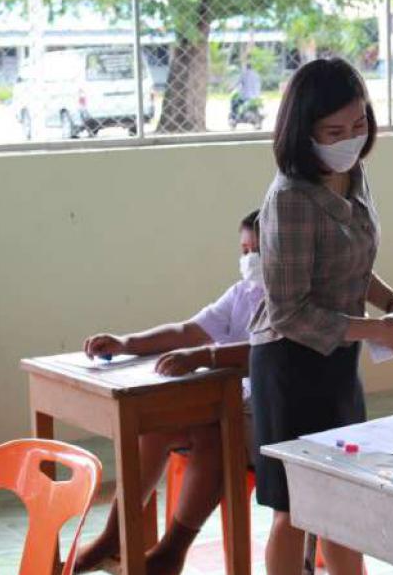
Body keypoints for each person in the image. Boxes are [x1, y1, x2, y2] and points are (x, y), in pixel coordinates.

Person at [250, 57, 393, 575]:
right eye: (334, 132)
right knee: (295, 507)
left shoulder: (353, 173)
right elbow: (290, 312)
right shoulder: (291, 198)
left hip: (338, 356)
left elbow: (352, 265)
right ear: (304, 130)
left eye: (359, 125)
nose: (350, 140)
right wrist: (379, 329)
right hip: (289, 365)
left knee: (343, 499)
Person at [74, 210, 262, 575]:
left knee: (213, 432)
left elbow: (266, 352)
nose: (250, 259)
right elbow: (186, 332)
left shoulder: (290, 301)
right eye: (244, 251)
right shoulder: (242, 294)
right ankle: (114, 537)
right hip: (231, 405)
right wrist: (126, 342)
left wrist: (204, 356)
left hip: (268, 418)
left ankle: (172, 550)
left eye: (259, 250)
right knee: (156, 426)